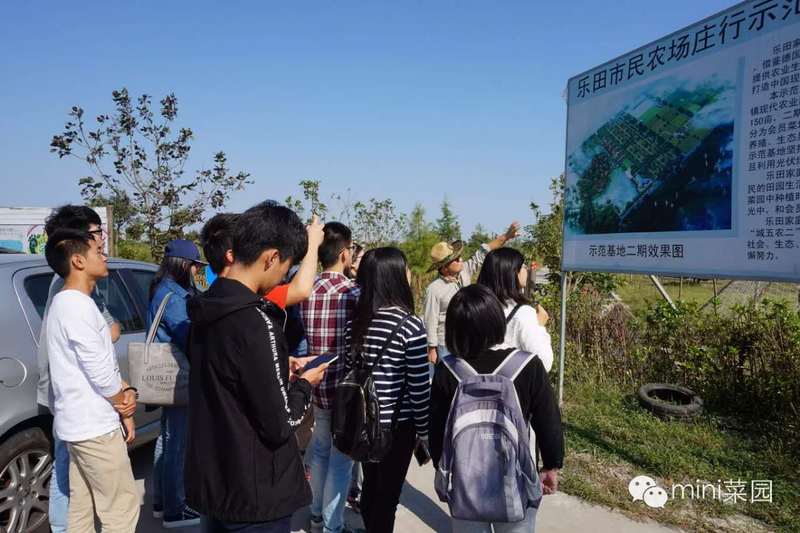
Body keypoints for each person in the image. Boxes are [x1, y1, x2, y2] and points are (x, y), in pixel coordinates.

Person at [185, 203, 328, 532]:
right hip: (255, 495)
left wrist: (277, 367)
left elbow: (229, 380)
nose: (282, 277)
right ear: (271, 257)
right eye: (286, 267)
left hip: (214, 485)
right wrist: (305, 383)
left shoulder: (204, 308)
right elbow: (282, 422)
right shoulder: (256, 321)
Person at [429, 285, 564, 533]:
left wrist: (441, 467)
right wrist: (551, 465)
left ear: (454, 327)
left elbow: (437, 427)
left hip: (466, 483)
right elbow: (548, 421)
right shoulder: (528, 365)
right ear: (496, 320)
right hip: (517, 479)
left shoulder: (447, 370)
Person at [44, 229, 139, 532]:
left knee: (81, 508)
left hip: (79, 426)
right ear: (78, 261)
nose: (105, 256)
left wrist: (122, 397)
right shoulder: (77, 306)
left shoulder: (66, 303)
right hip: (94, 428)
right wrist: (123, 404)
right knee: (120, 511)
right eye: (98, 251)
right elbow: (100, 371)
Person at [342, 247, 430, 533]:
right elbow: (419, 387)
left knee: (371, 487)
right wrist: (425, 431)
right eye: (405, 268)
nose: (409, 273)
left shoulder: (356, 322)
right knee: (387, 497)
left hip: (363, 422)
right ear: (393, 276)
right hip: (397, 427)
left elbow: (349, 371)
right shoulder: (410, 325)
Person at [299, 223, 360, 533]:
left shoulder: (305, 289)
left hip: (316, 383)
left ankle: (315, 516)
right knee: (341, 459)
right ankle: (332, 525)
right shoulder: (354, 292)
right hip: (345, 389)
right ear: (345, 253)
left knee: (320, 450)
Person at [148, 239, 206, 527]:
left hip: (164, 377)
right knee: (177, 444)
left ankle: (162, 501)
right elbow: (189, 338)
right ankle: (175, 508)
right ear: (183, 264)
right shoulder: (174, 296)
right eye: (194, 266)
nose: (197, 271)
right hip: (176, 377)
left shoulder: (161, 289)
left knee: (166, 439)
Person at [423, 221, 520, 366]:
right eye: (456, 259)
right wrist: (432, 348)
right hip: (446, 343)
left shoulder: (465, 272)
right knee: (448, 374)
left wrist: (506, 237)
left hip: (469, 338)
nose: (461, 260)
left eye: (459, 257)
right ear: (444, 268)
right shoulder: (434, 289)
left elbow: (483, 252)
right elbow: (430, 320)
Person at [476, 248, 554, 371]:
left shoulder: (475, 307)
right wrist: (540, 326)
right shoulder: (523, 313)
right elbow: (543, 363)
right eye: (522, 266)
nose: (526, 270)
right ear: (512, 273)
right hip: (510, 381)